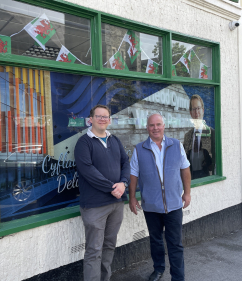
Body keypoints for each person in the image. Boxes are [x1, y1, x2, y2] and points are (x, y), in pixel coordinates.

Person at [129, 113, 191, 281]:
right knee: (156, 241)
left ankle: (178, 277)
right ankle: (158, 269)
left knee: (175, 244)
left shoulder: (176, 145)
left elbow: (185, 169)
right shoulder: (139, 149)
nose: (155, 128)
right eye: (151, 125)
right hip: (151, 205)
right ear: (147, 128)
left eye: (158, 124)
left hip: (174, 204)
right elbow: (133, 175)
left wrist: (187, 192)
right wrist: (132, 197)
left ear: (164, 126)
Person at [74, 104, 130, 281]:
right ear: (91, 119)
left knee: (109, 247)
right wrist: (113, 187)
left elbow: (126, 163)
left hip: (116, 204)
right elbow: (88, 171)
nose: (102, 119)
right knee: (94, 251)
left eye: (105, 116)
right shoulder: (83, 142)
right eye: (98, 116)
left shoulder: (114, 140)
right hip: (94, 206)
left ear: (110, 120)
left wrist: (124, 183)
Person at [183, 94, 215, 179]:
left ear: (203, 110)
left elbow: (216, 161)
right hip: (191, 178)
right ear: (190, 113)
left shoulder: (212, 133)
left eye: (198, 108)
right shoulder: (187, 136)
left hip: (208, 178)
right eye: (194, 109)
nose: (196, 112)